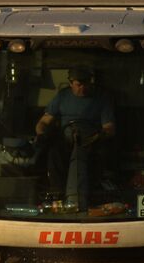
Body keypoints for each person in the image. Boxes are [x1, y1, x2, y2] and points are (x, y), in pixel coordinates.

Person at [34, 67, 115, 210]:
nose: (82, 87)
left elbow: (109, 127)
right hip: (66, 140)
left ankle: (96, 194)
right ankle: (57, 194)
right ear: (71, 83)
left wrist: (100, 135)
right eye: (78, 84)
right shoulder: (62, 97)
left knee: (102, 155)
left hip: (93, 141)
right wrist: (41, 133)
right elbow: (44, 121)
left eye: (86, 83)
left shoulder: (101, 98)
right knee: (53, 153)